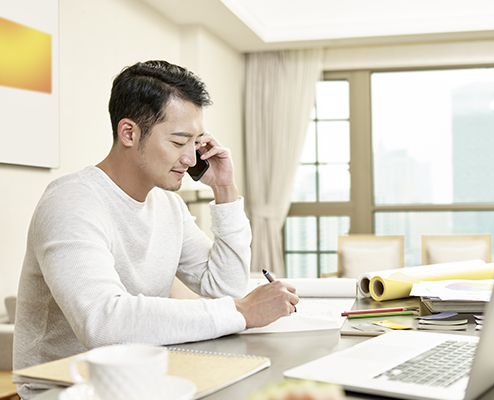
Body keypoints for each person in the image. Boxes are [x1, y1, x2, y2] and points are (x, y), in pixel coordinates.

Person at [13, 60, 299, 399]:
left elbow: (224, 286)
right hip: (65, 390)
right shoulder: (71, 203)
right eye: (179, 143)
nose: (192, 159)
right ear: (129, 133)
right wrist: (241, 311)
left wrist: (225, 189)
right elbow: (104, 324)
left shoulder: (167, 206)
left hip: (141, 381)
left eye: (196, 143)